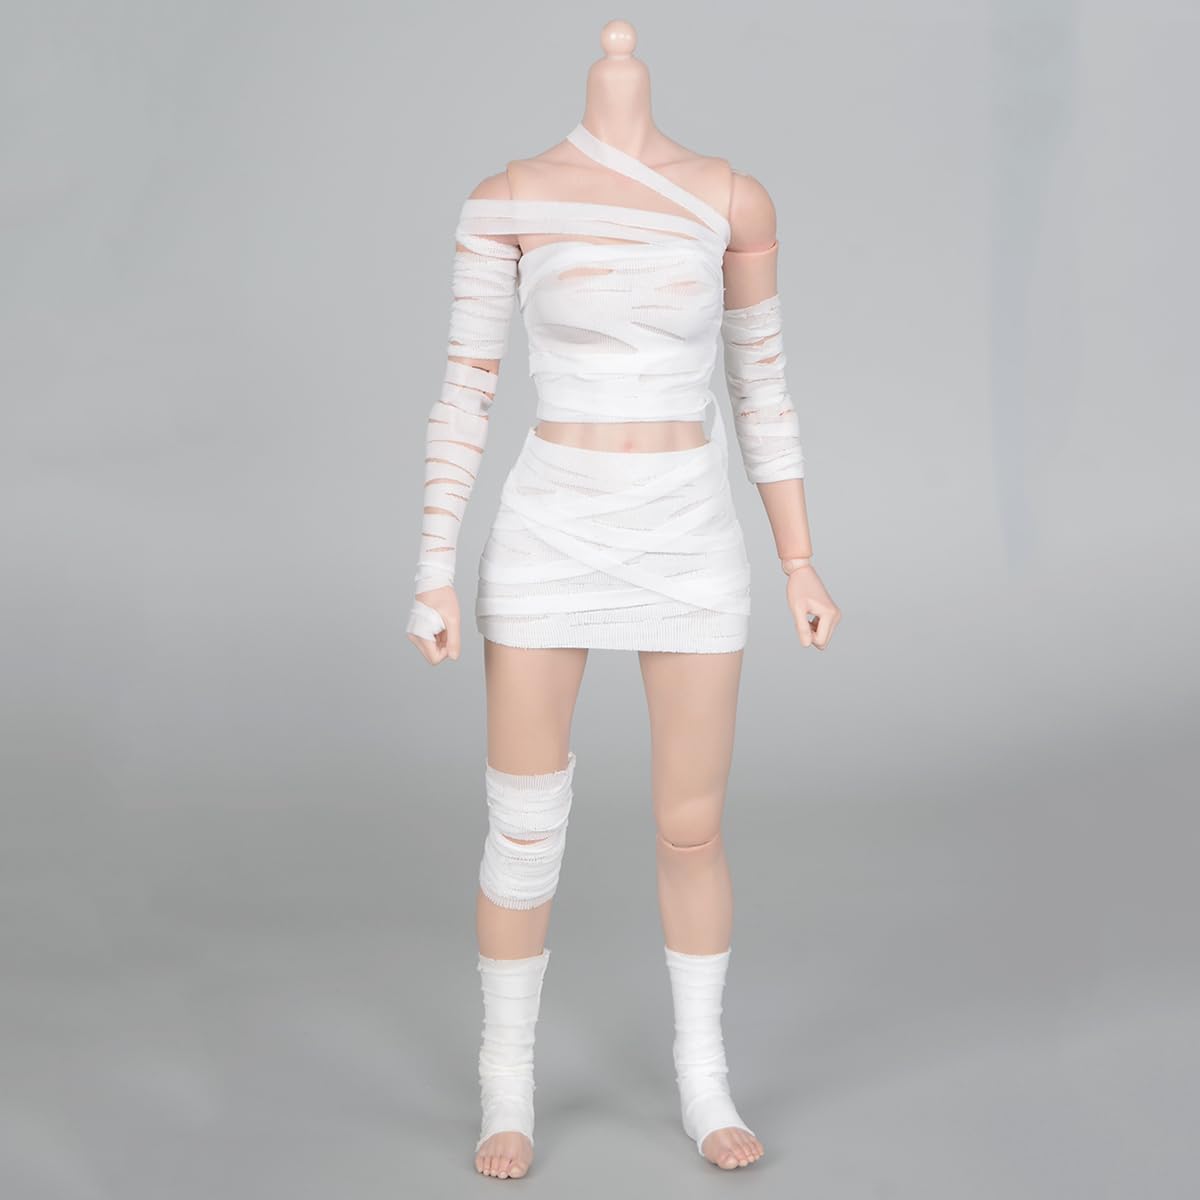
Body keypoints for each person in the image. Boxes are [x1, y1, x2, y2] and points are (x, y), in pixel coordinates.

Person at [406, 23, 840, 1180]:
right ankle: (507, 1082)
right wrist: (433, 563)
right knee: (522, 829)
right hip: (552, 528)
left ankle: (704, 1077)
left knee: (692, 827)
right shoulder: (509, 198)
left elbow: (762, 384)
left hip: (687, 531)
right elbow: (465, 387)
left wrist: (798, 559)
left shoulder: (731, 199)